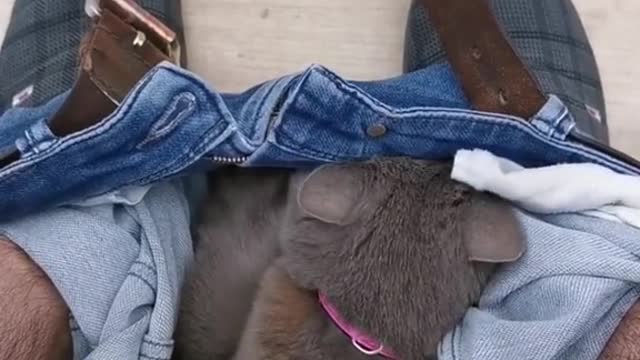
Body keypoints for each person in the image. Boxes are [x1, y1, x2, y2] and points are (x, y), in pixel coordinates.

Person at [0, 0, 638, 359]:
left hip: (106, 276)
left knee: (33, 266)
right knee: (595, 292)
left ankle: (57, 242)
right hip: (547, 305)